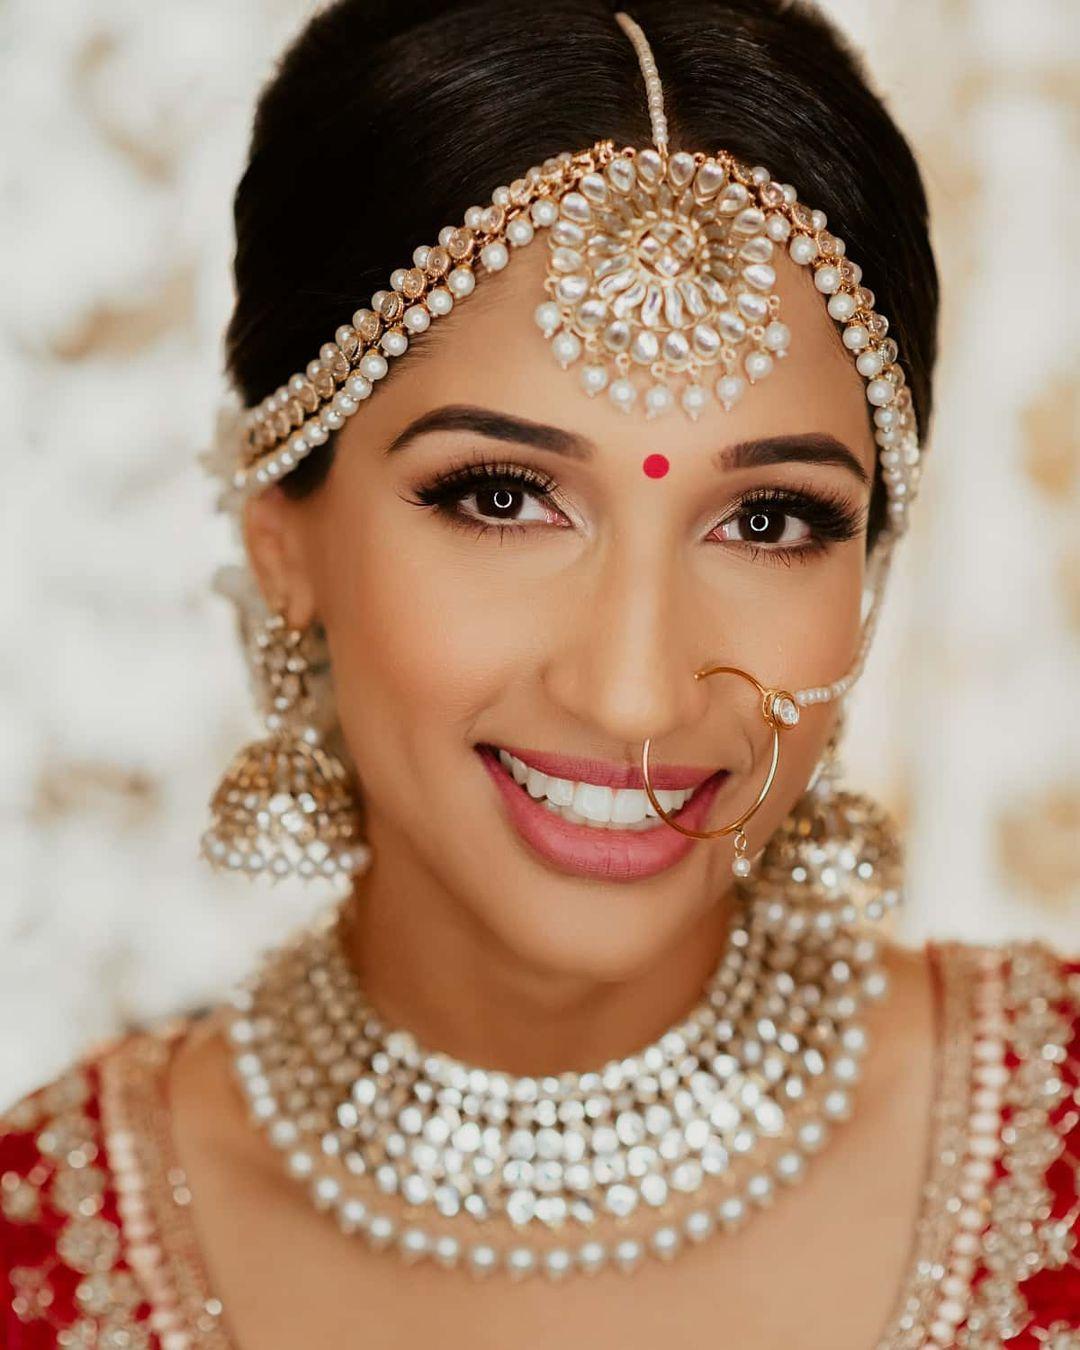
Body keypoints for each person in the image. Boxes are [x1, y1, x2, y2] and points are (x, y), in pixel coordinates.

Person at [2, 2, 1077, 1346]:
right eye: (503, 495)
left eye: (768, 520)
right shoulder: (43, 1252)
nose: (634, 695)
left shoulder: (1057, 1147)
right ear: (282, 537)